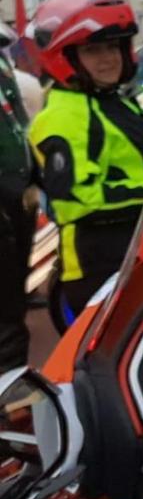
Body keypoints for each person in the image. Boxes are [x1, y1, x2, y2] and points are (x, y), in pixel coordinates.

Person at [26, 0, 143, 316]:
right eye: (93, 50)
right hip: (101, 266)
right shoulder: (64, 116)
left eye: (113, 46)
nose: (108, 58)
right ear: (67, 57)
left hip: (141, 252)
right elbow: (76, 200)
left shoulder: (112, 101)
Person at [0, 22, 38, 371]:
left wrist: (33, 175)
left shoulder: (3, 58)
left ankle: (12, 384)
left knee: (13, 302)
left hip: (16, 196)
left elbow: (20, 126)